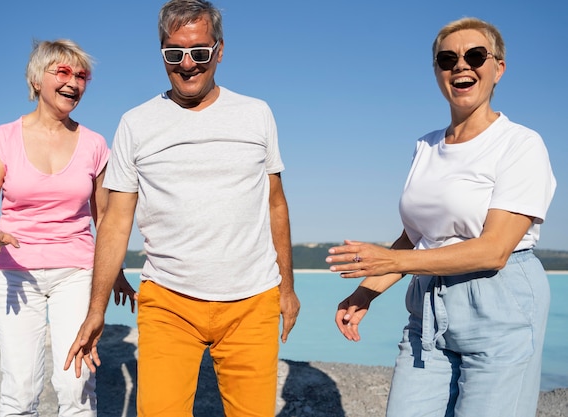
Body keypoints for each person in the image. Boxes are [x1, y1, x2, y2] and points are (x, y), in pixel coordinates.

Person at [64, 1, 300, 416]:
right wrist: (96, 309)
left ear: (219, 51)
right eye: (174, 53)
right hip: (168, 303)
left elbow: (275, 204)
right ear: (162, 53)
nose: (187, 63)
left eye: (199, 51)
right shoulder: (136, 123)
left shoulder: (256, 114)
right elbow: (116, 220)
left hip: (251, 302)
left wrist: (287, 287)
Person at [326, 17, 556, 417]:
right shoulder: (425, 146)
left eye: (475, 55)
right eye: (447, 58)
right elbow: (413, 238)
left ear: (498, 68)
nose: (461, 65)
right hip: (428, 310)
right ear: (437, 72)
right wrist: (366, 292)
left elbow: (494, 250)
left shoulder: (521, 144)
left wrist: (394, 261)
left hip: (501, 306)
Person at [0, 39, 136, 417]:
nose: (73, 82)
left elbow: (106, 218)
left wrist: (116, 271)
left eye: (81, 75)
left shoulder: (94, 144)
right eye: (62, 72)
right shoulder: (2, 139)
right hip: (15, 274)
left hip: (76, 273)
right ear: (36, 80)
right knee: (20, 388)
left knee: (75, 384)